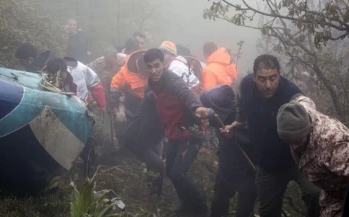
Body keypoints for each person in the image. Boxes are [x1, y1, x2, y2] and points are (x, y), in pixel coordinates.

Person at [221, 54, 321, 217]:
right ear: (254, 77)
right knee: (268, 211)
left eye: (273, 78)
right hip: (267, 164)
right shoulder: (246, 85)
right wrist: (239, 121)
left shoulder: (290, 92)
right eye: (262, 79)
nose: (268, 85)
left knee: (315, 194)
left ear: (279, 74)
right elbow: (241, 101)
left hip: (298, 159)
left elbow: (305, 106)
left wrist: (309, 113)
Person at [143, 48, 210, 216]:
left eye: (157, 66)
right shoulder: (152, 83)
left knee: (178, 173)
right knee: (171, 171)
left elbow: (186, 93)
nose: (153, 71)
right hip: (174, 134)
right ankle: (187, 205)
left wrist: (198, 107)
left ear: (163, 64)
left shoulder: (172, 81)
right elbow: (152, 98)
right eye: (149, 67)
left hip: (190, 134)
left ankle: (202, 210)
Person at [277, 95, 349, 217]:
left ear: (307, 130)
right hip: (330, 192)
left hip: (343, 193)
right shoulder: (301, 111)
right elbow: (303, 99)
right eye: (289, 142)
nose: (294, 147)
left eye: (297, 141)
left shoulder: (333, 145)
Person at [200, 85, 257, 217]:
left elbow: (253, 140)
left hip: (248, 170)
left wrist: (234, 135)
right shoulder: (218, 109)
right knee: (218, 202)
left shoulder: (242, 118)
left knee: (243, 210)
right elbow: (203, 98)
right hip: (227, 165)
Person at [108, 50, 148, 147]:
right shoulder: (125, 72)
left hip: (149, 100)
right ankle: (125, 145)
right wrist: (114, 105)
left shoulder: (153, 63)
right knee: (124, 122)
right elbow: (115, 85)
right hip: (131, 100)